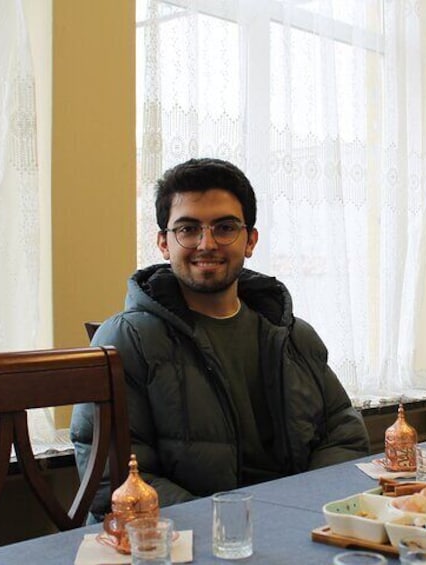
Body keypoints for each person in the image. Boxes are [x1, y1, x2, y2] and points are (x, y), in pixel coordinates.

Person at [71, 158, 370, 517]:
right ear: (164, 243)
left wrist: (302, 508)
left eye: (225, 227)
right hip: (180, 542)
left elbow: (344, 436)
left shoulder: (293, 335)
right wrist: (229, 524)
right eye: (188, 229)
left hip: (299, 528)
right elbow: (117, 481)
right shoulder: (126, 339)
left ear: (250, 240)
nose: (206, 243)